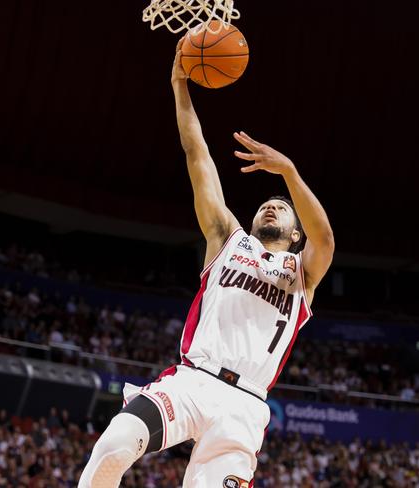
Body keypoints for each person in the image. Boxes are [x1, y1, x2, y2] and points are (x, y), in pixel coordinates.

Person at [78, 39, 334, 488]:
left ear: (297, 234)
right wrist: (181, 86)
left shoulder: (304, 273)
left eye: (282, 208)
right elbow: (198, 156)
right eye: (266, 205)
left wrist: (288, 172)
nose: (271, 208)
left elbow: (326, 238)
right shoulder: (227, 238)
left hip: (245, 407)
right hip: (192, 380)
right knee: (115, 444)